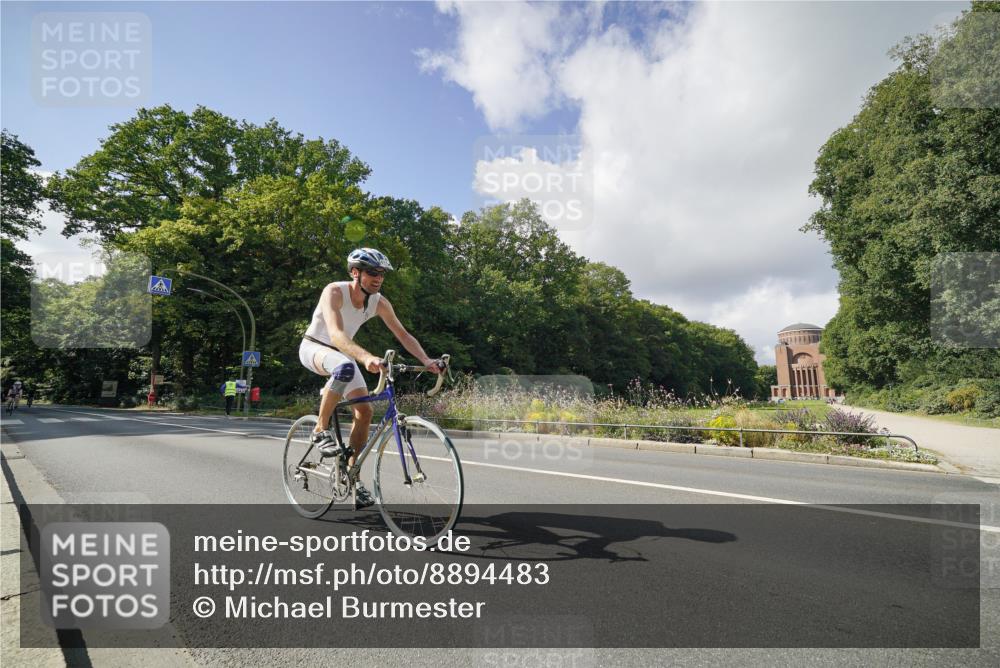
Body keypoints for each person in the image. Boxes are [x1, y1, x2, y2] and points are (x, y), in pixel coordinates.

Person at [298, 247, 443, 508]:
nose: (378, 278)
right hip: (314, 348)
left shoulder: (379, 302)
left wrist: (426, 361)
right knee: (344, 366)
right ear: (355, 272)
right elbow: (336, 336)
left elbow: (404, 335)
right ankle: (320, 429)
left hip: (343, 356)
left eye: (382, 274)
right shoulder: (334, 291)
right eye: (373, 273)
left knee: (364, 412)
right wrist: (365, 357)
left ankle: (351, 477)